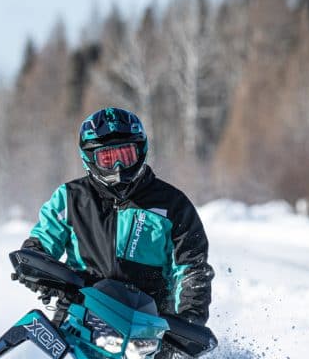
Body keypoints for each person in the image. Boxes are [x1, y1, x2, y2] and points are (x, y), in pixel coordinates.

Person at [22, 107, 214, 330]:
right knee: (32, 349)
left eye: (125, 156)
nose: (118, 167)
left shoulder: (173, 204)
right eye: (107, 158)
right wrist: (36, 268)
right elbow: (42, 243)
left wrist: (188, 320)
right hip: (79, 316)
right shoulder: (70, 198)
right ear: (90, 158)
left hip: (146, 326)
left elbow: (192, 269)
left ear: (140, 151)